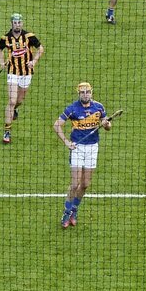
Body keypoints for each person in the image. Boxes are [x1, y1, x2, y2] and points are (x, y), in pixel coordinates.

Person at [53, 82, 111, 228]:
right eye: (83, 92)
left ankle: (74, 210)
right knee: (74, 184)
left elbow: (107, 125)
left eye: (88, 92)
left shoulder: (99, 107)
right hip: (77, 148)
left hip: (92, 148)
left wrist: (106, 125)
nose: (86, 94)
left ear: (92, 92)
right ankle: (66, 213)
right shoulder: (72, 108)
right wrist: (66, 142)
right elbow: (56, 125)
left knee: (85, 185)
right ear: (78, 94)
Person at [0, 13, 43, 143]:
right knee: (11, 101)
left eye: (19, 22)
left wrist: (34, 61)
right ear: (11, 24)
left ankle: (15, 109)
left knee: (19, 100)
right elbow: (0, 50)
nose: (17, 25)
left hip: (26, 73)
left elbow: (40, 48)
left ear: (22, 23)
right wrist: (1, 62)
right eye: (15, 23)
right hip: (12, 72)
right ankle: (7, 132)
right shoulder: (5, 38)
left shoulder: (29, 36)